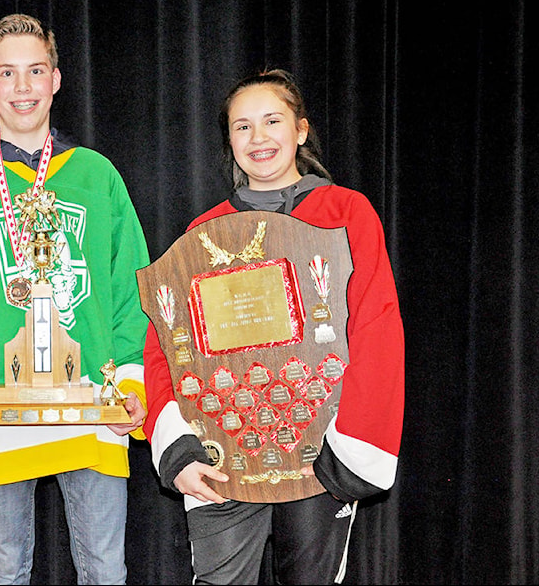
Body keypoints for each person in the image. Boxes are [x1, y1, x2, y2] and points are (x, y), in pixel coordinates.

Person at [142, 69, 404, 584]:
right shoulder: (204, 231)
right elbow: (166, 346)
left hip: (319, 457)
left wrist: (353, 444)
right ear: (230, 141)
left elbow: (376, 327)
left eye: (271, 121)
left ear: (300, 130)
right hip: (222, 456)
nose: (257, 138)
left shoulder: (346, 213)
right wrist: (176, 447)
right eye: (242, 127)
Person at [0, 13, 150, 585]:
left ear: (57, 80)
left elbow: (131, 286)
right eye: (7, 73)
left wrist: (134, 377)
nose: (22, 87)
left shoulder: (97, 175)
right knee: (5, 569)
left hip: (94, 397)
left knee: (105, 569)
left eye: (35, 71)